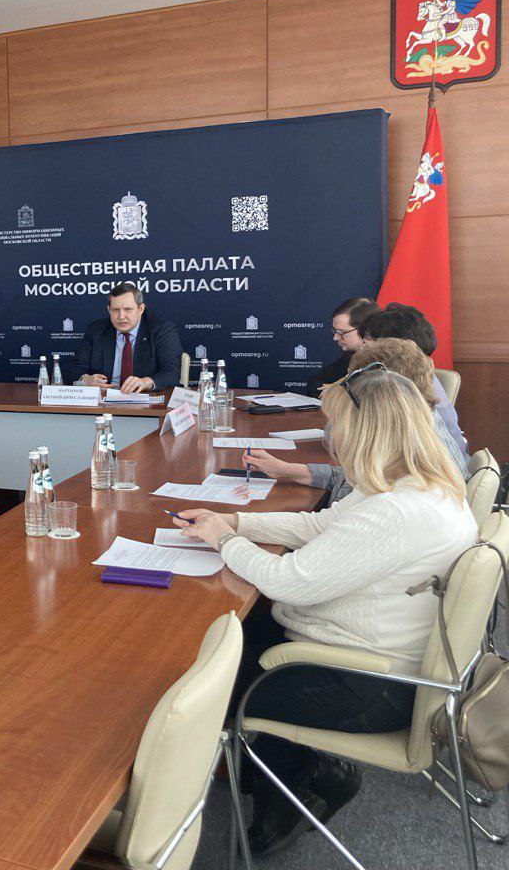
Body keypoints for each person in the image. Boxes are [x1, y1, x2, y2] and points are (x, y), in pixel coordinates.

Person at [174, 366, 475, 856]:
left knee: (205, 681)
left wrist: (225, 540)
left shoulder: (394, 511)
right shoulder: (416, 487)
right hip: (382, 661)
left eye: (337, 425)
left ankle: (299, 785)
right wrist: (236, 521)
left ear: (366, 432)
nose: (331, 437)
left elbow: (286, 580)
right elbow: (319, 527)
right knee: (233, 633)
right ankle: (282, 772)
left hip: (367, 684)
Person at [244, 340, 469, 503]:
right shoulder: (417, 430)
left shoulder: (408, 480)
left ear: (383, 393)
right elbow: (357, 481)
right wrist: (286, 470)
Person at [358, 302, 467, 462]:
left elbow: (342, 440)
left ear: (393, 348)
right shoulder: (418, 376)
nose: (362, 351)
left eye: (367, 344)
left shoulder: (400, 393)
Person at [68, 282, 182, 392]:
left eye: (128, 309)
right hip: (104, 397)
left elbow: (171, 372)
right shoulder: (95, 330)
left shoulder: (161, 330)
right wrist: (85, 379)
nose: (121, 316)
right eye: (116, 310)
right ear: (109, 310)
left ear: (140, 309)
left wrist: (145, 382)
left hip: (144, 397)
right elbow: (75, 368)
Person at [304, 296, 377, 396]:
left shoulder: (385, 359)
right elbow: (314, 384)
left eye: (341, 332)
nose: (335, 337)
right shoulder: (350, 356)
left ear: (364, 330)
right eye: (335, 331)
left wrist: (337, 390)